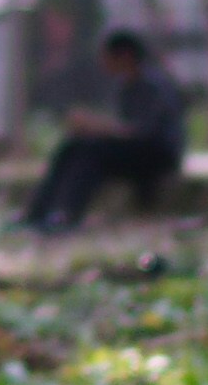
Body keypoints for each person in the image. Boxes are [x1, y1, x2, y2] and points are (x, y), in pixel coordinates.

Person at [20, 26, 189, 231]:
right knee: (73, 146)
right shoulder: (126, 86)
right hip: (135, 150)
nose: (102, 62)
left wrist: (98, 126)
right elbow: (123, 129)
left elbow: (144, 132)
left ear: (125, 56)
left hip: (157, 155)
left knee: (91, 152)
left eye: (106, 56)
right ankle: (36, 214)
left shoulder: (154, 85)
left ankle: (65, 216)